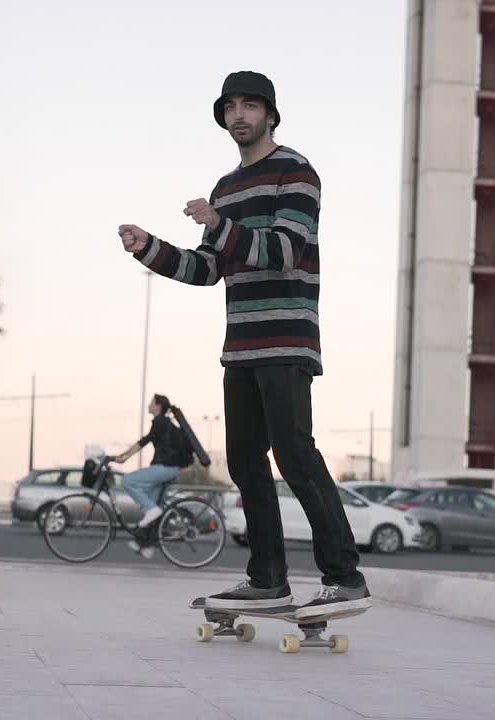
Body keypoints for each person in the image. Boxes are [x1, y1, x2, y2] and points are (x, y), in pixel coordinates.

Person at [116, 70, 369, 620]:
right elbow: (208, 270)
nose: (240, 115)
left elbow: (283, 251)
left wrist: (219, 223)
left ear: (271, 114)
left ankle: (344, 578)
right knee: (246, 465)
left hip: (287, 338)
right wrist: (151, 250)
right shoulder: (225, 189)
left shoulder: (297, 172)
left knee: (296, 456)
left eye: (251, 106)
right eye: (231, 106)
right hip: (241, 346)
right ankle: (268, 581)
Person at [110, 393, 186, 559]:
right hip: (168, 467)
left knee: (128, 480)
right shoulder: (164, 423)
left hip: (166, 467)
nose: (149, 405)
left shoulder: (160, 422)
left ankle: (152, 512)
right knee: (154, 507)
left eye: (151, 402)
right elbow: (145, 441)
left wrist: (123, 457)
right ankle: (146, 546)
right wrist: (123, 457)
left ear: (158, 406)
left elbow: (143, 442)